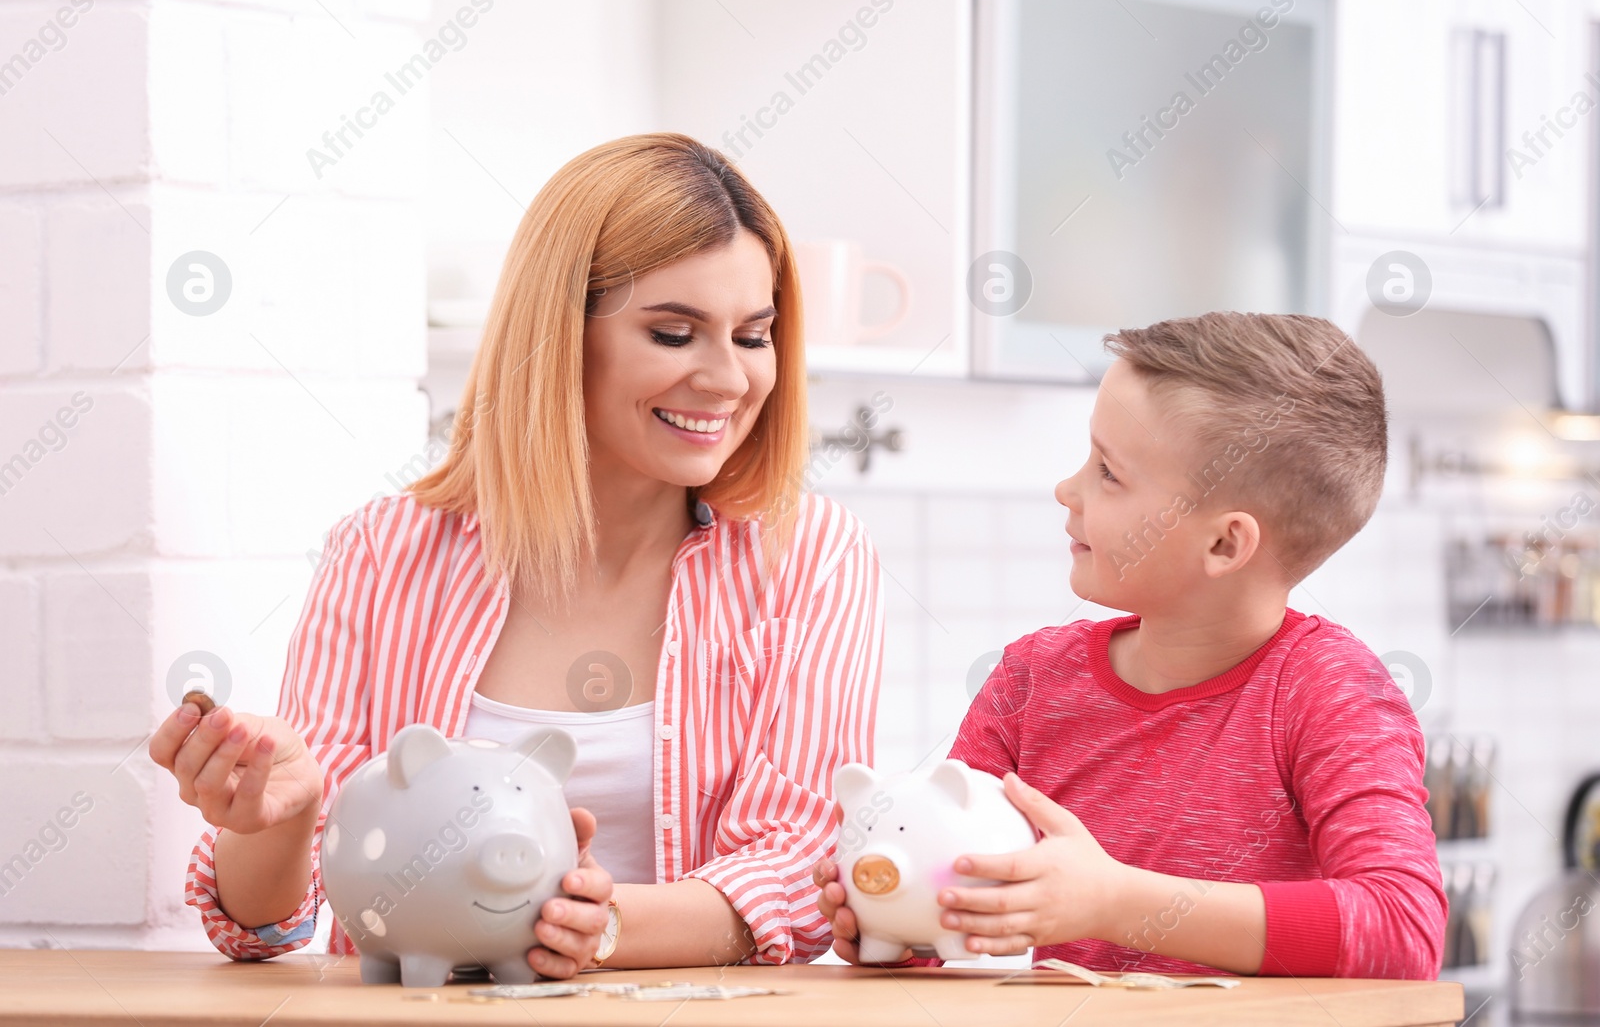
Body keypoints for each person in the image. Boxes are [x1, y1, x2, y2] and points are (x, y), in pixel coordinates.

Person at [150, 133, 883, 977]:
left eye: (753, 337)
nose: (728, 379)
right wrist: (280, 819)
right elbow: (264, 928)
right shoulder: (385, 553)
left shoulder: (810, 557)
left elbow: (796, 862)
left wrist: (598, 927)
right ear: (560, 335)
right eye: (675, 334)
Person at [816, 312, 1446, 979]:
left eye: (1108, 474)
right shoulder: (1034, 680)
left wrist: (1115, 903)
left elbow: (1402, 930)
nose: (1068, 490)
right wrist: (896, 914)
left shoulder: (1330, 692)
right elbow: (964, 879)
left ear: (1225, 544)